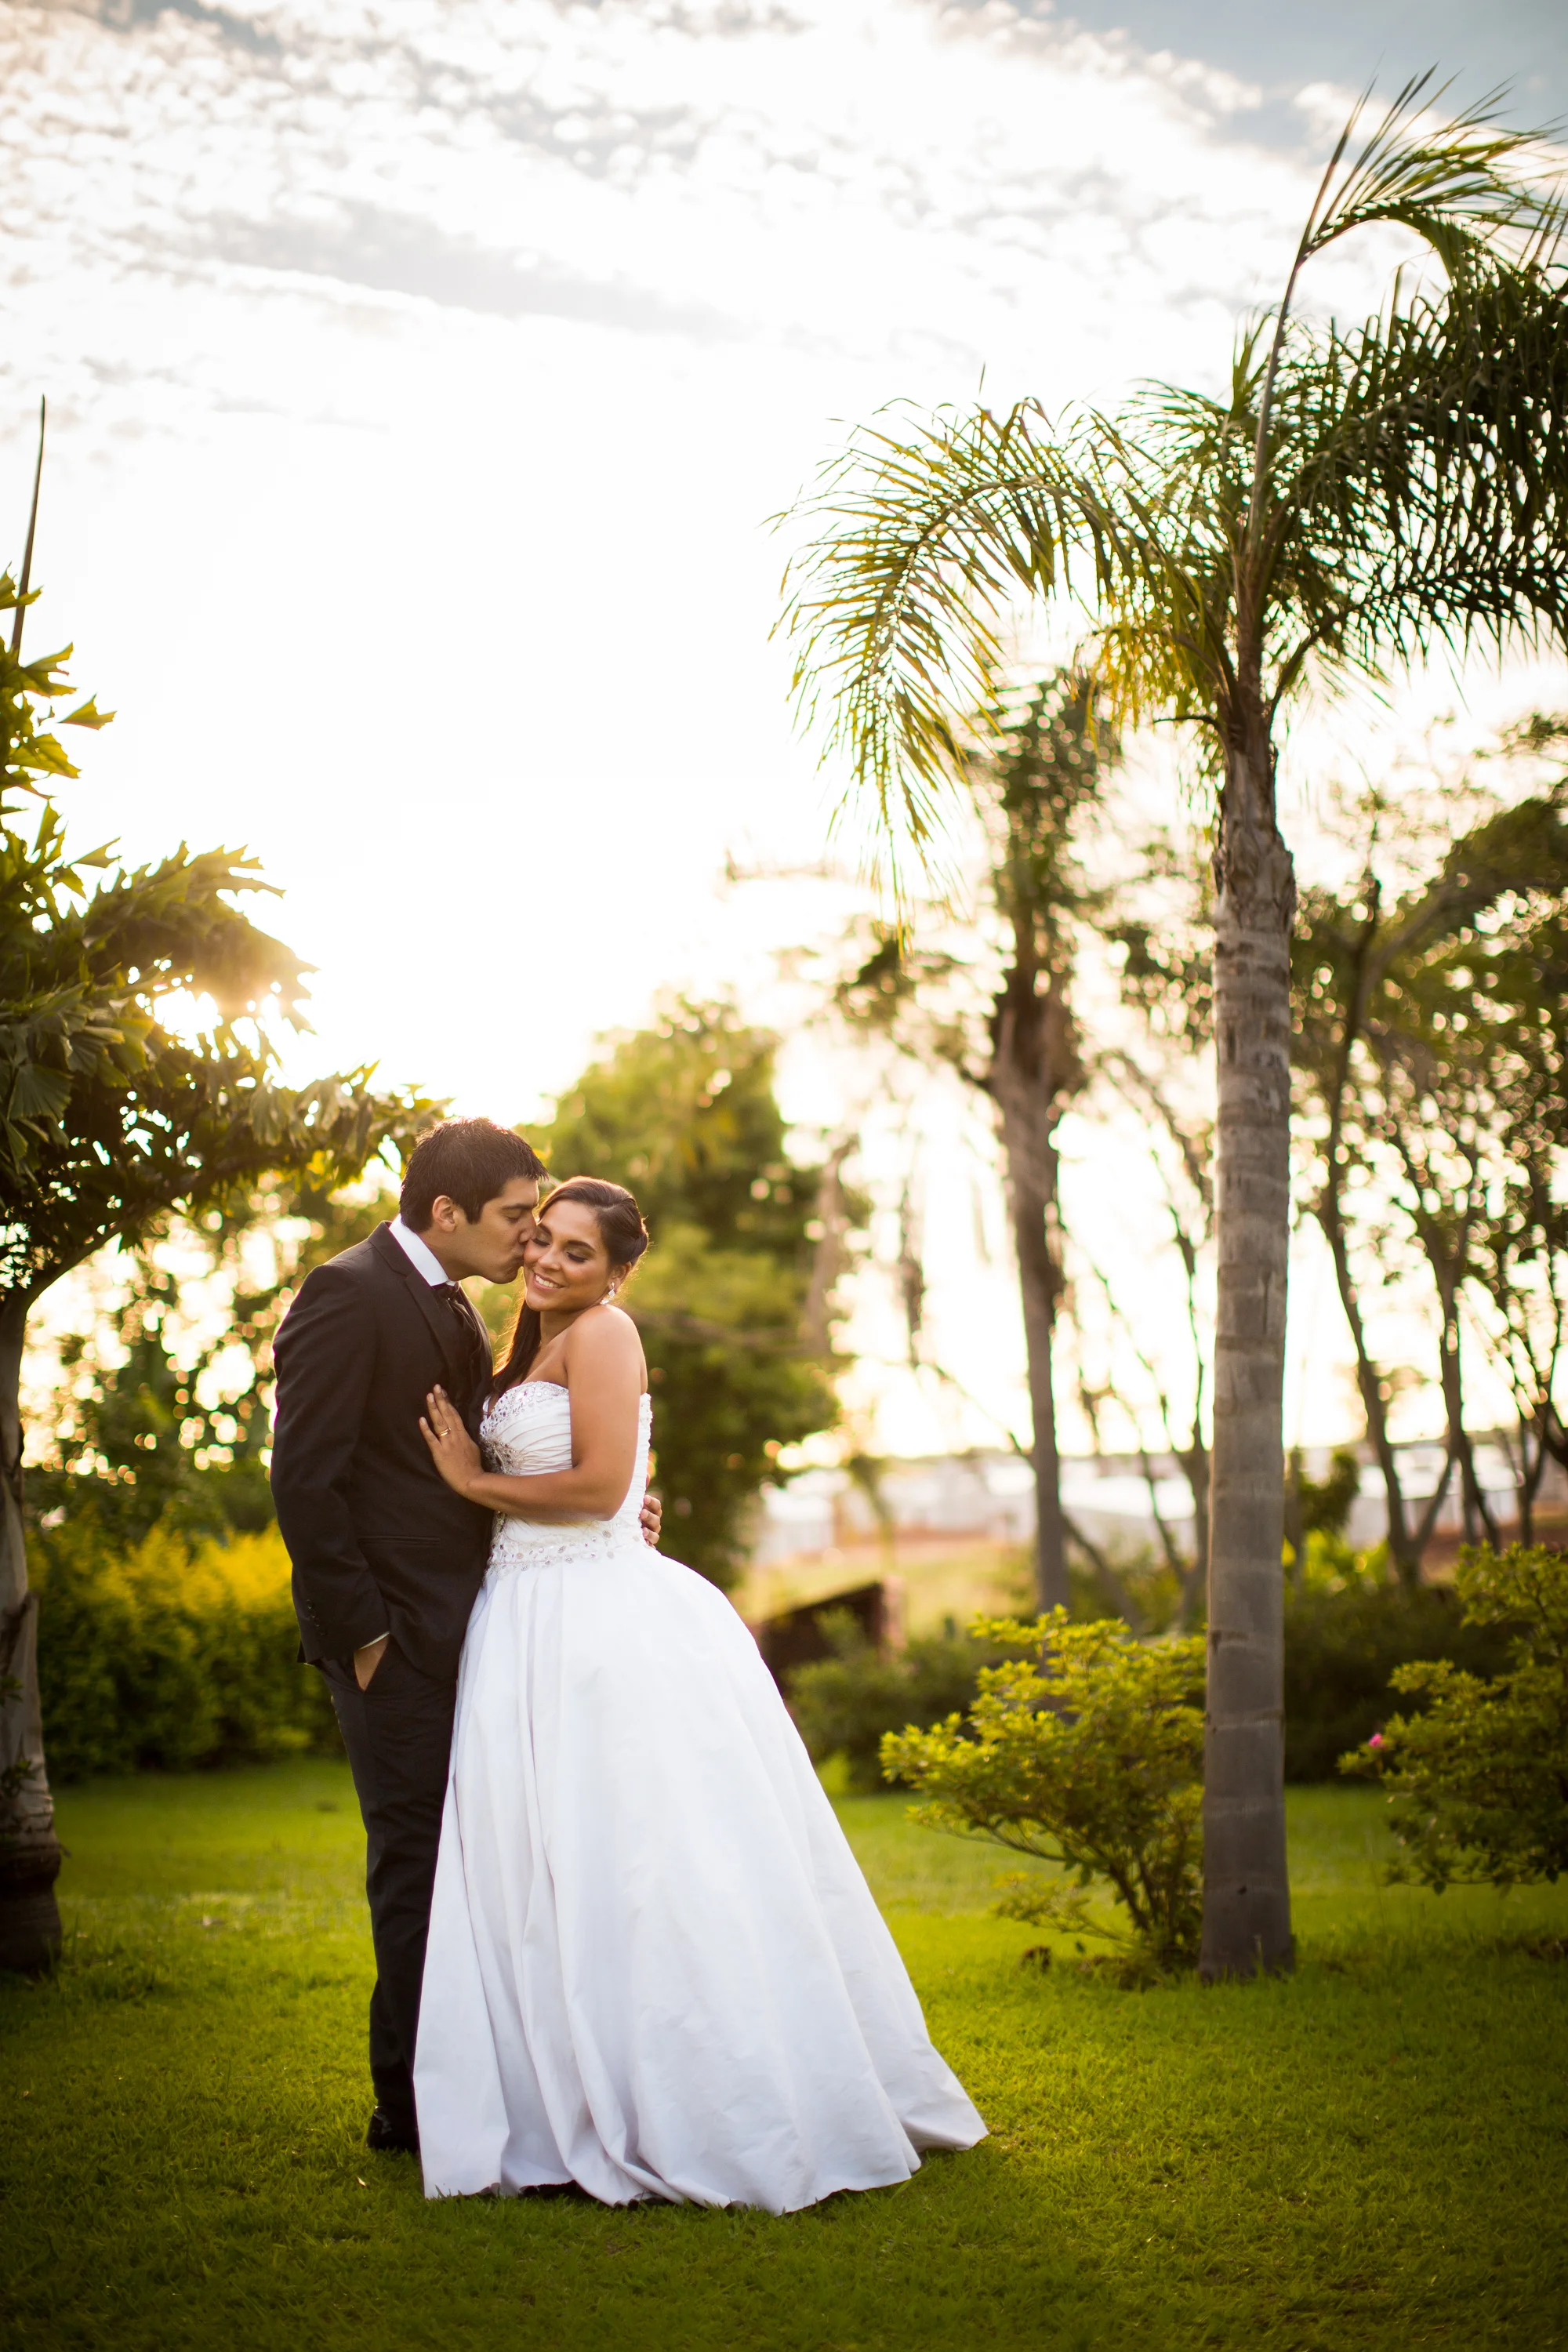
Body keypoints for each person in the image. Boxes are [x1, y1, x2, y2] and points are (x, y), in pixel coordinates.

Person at [412, 1174, 985, 2210]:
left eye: (577, 1253)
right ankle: (558, 2091)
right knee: (546, 1866)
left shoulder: (605, 1336)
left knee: (643, 1864)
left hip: (596, 1624)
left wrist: (473, 1485)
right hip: (524, 1620)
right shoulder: (531, 1346)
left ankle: (702, 2097)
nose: (547, 1261)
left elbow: (590, 1489)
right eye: (542, 1240)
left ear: (618, 1273)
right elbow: (607, 1485)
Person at [269, 1121, 661, 2156]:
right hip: (394, 1640)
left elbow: (509, 1460)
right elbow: (303, 1480)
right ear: (447, 1214)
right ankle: (408, 2107)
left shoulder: (463, 1308)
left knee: (474, 1863)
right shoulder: (347, 1290)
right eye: (517, 1219)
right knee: (416, 1863)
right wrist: (361, 1637)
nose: (530, 1241)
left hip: (483, 1629)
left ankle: (483, 2082)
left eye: (549, 1226)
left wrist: (618, 1514)